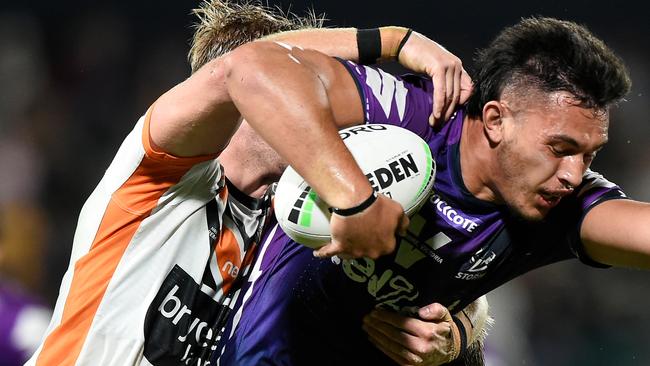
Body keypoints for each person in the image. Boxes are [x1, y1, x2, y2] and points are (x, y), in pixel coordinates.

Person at [25, 1, 482, 365]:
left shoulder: (302, 221)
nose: (323, 111)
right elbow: (238, 69)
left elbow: (442, 263)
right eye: (302, 92)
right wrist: (394, 41)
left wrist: (456, 333)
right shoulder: (155, 178)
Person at [214, 16, 644, 366]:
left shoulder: (564, 203)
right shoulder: (418, 115)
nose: (573, 174)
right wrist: (354, 197)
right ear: (495, 120)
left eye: (588, 155)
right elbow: (249, 67)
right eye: (560, 148)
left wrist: (458, 336)